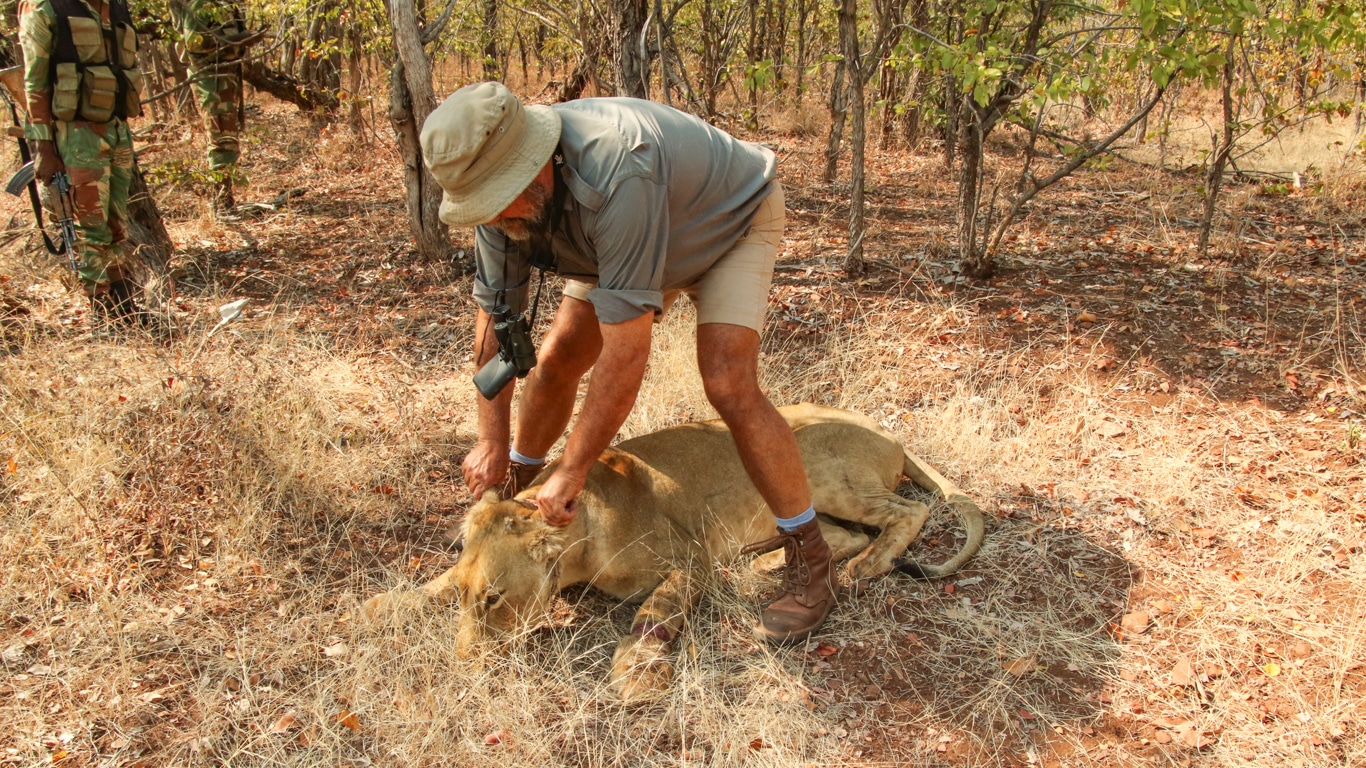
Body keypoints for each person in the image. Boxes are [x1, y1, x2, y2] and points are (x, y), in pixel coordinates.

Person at [419, 81, 836, 645]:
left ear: (536, 165)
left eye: (498, 198)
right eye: (480, 207)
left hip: (725, 222)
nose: (491, 217)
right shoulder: (502, 209)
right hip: (618, 240)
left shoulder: (619, 168)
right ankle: (520, 492)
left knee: (728, 382)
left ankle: (810, 558)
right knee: (558, 357)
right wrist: (491, 440)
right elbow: (496, 329)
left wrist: (573, 469)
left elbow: (626, 352)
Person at [18, 0, 146, 322]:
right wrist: (44, 148)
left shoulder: (116, 8)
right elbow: (35, 83)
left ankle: (125, 308)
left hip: (118, 130)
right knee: (92, 230)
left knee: (117, 226)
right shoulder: (48, 8)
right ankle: (103, 316)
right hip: (76, 134)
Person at [170, 0, 247, 216]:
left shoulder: (226, 5)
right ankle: (221, 200)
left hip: (226, 75)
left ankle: (225, 197)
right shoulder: (200, 5)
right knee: (219, 137)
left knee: (229, 138)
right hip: (209, 79)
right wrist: (232, 40)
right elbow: (194, 43)